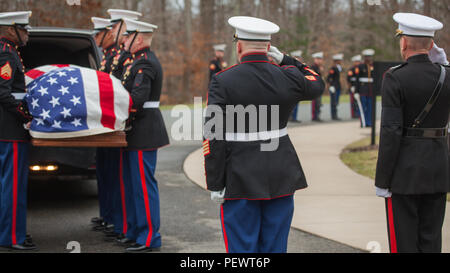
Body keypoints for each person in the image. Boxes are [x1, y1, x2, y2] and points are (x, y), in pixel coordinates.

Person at [204, 16, 324, 253]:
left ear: (238, 46)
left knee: (242, 248)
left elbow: (213, 133)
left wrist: (215, 180)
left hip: (240, 175)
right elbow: (317, 83)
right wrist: (288, 60)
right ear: (269, 47)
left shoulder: (223, 79)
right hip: (280, 172)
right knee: (275, 246)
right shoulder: (289, 75)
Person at [375, 12, 450, 253]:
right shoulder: (446, 75)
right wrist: (445, 64)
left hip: (405, 174)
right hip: (438, 169)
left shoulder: (395, 77)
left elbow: (390, 131)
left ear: (404, 42)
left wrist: (383, 180)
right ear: (431, 45)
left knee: (405, 242)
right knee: (431, 240)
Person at [118, 18, 170, 253]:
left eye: (128, 36)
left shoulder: (145, 64)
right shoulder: (137, 62)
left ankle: (149, 237)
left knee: (142, 186)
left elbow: (137, 99)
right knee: (132, 185)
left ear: (138, 39)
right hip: (136, 130)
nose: (124, 40)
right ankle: (136, 231)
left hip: (144, 130)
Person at [0, 11, 36, 251]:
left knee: (14, 184)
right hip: (10, 129)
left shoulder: (11, 51)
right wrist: (26, 116)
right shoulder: (5, 53)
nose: (27, 33)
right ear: (11, 29)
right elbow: (3, 93)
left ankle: (16, 232)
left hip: (11, 128)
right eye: (23, 29)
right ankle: (11, 237)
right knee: (11, 186)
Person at [355, 49, 375, 128]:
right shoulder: (360, 66)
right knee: (362, 106)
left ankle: (369, 122)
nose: (368, 58)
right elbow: (357, 79)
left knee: (370, 106)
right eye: (366, 57)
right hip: (362, 89)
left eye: (369, 57)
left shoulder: (374, 66)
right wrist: (356, 91)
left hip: (371, 89)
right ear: (364, 57)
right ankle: (363, 122)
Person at [327, 54, 344, 121]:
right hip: (333, 87)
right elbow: (328, 78)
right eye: (340, 60)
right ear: (337, 61)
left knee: (336, 102)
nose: (341, 61)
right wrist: (331, 86)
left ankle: (335, 114)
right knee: (333, 102)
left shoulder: (339, 68)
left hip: (337, 87)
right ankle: (334, 115)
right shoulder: (333, 68)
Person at [289, 50, 303, 123]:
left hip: (298, 87)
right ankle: (290, 117)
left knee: (296, 104)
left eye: (299, 57)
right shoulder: (290, 66)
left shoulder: (299, 67)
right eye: (296, 57)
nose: (298, 59)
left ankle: (294, 117)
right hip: (291, 87)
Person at [310, 52, 324, 122]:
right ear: (315, 59)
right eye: (318, 59)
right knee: (315, 102)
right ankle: (314, 116)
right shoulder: (313, 67)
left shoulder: (319, 67)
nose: (320, 60)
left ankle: (317, 115)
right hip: (315, 87)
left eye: (320, 59)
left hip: (319, 87)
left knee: (319, 103)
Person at [347, 55, 361, 119]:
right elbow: (348, 79)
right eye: (356, 61)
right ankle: (353, 114)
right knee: (353, 101)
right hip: (353, 87)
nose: (358, 63)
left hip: (358, 87)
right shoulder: (351, 69)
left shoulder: (360, 68)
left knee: (358, 101)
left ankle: (358, 113)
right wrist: (351, 87)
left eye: (358, 61)